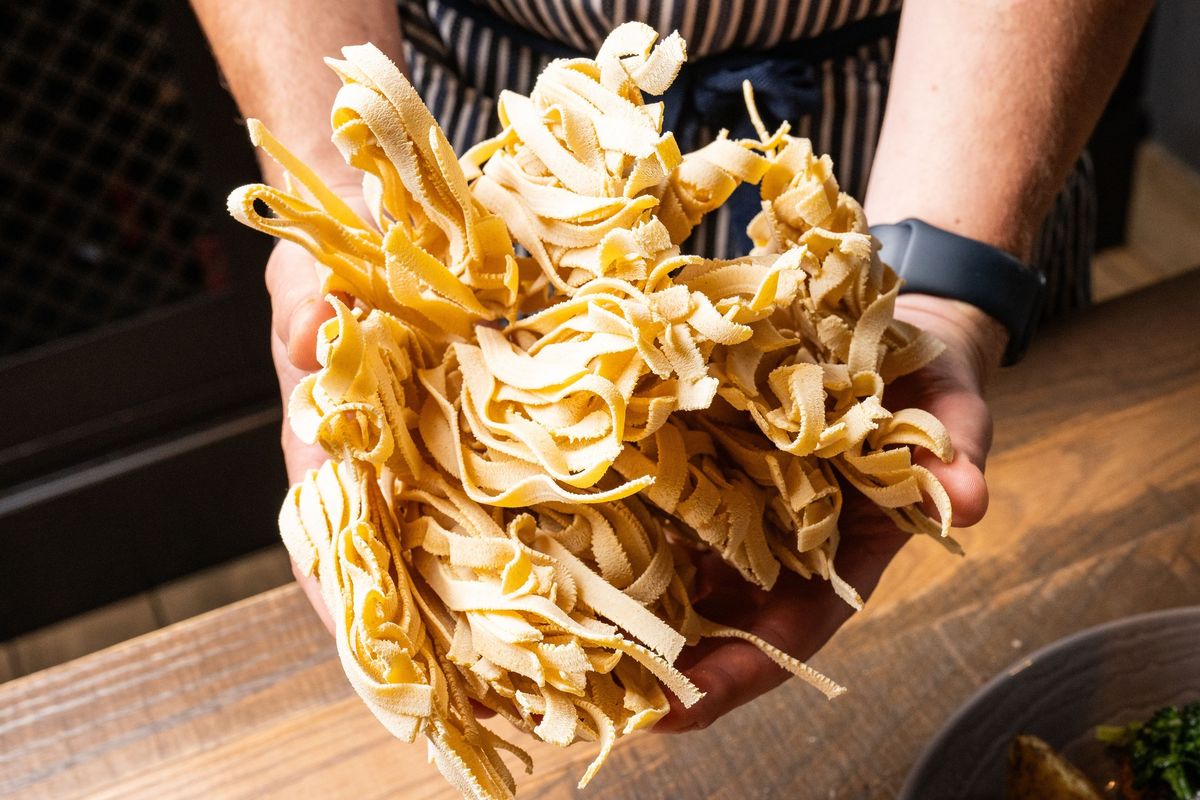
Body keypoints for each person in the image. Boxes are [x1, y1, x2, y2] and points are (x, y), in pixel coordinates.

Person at [190, 0, 1154, 733]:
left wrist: (943, 286)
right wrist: (349, 197)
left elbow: (907, 318)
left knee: (1025, 603)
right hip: (485, 182)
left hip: (955, 112)